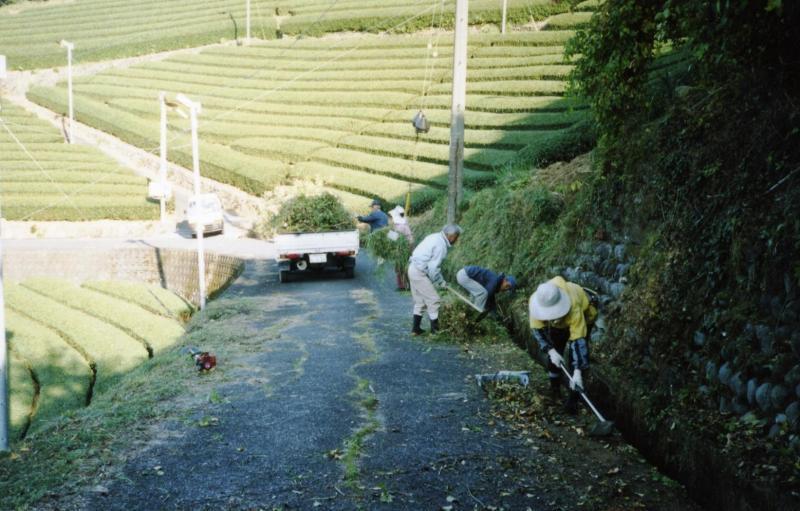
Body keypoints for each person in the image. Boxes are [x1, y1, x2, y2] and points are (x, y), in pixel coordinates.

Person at [529, 276, 598, 414]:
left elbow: (578, 341)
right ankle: (554, 388)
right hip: (558, 323)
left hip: (584, 314)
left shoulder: (573, 305)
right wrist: (551, 351)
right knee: (556, 348)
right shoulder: (536, 301)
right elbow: (537, 330)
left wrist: (578, 370)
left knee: (576, 357)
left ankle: (573, 400)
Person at [407, 224, 462, 335]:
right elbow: (433, 268)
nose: (456, 240)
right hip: (419, 272)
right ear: (451, 235)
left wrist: (439, 280)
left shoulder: (434, 236)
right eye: (456, 237)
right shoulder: (440, 245)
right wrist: (440, 282)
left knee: (420, 301)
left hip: (413, 268)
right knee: (434, 300)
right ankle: (435, 331)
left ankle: (415, 329)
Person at [388, 205, 414, 290]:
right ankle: (403, 285)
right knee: (401, 268)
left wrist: (387, 234)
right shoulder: (401, 224)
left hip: (404, 249)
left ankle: (403, 285)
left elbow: (395, 237)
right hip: (404, 248)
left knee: (401, 268)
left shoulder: (401, 226)